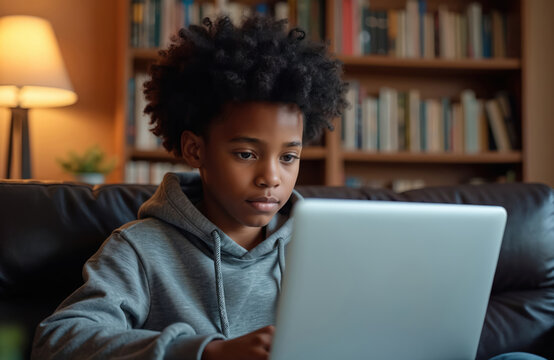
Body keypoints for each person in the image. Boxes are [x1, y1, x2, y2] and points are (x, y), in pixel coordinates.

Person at [31, 15, 546, 360]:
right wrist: (207, 352)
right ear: (194, 150)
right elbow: (57, 339)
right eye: (247, 153)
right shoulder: (142, 247)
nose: (271, 177)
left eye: (290, 156)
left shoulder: (326, 243)